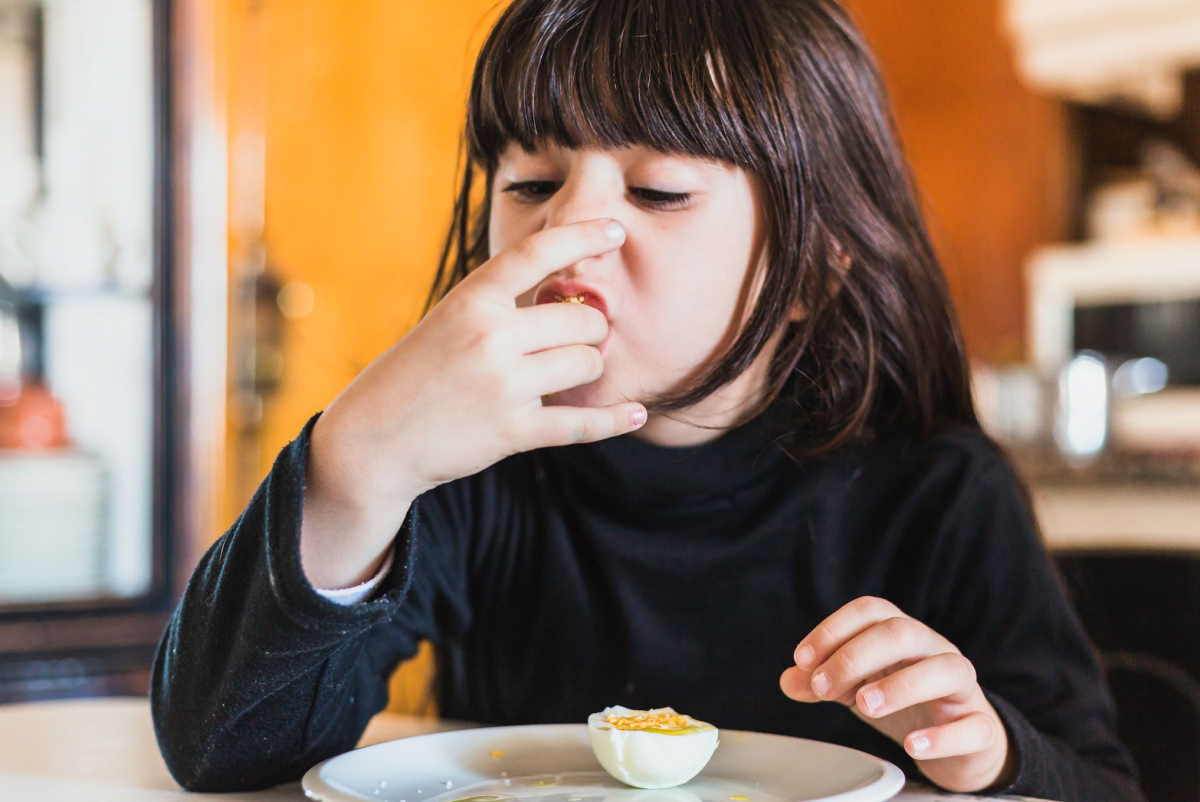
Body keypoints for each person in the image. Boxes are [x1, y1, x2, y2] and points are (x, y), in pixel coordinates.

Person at [149, 1, 1144, 799]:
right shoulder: (472, 467)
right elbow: (225, 753)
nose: (570, 231)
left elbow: (1099, 780)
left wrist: (992, 756)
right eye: (532, 182)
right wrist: (361, 457)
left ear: (813, 267)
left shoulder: (939, 491)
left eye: (659, 190)